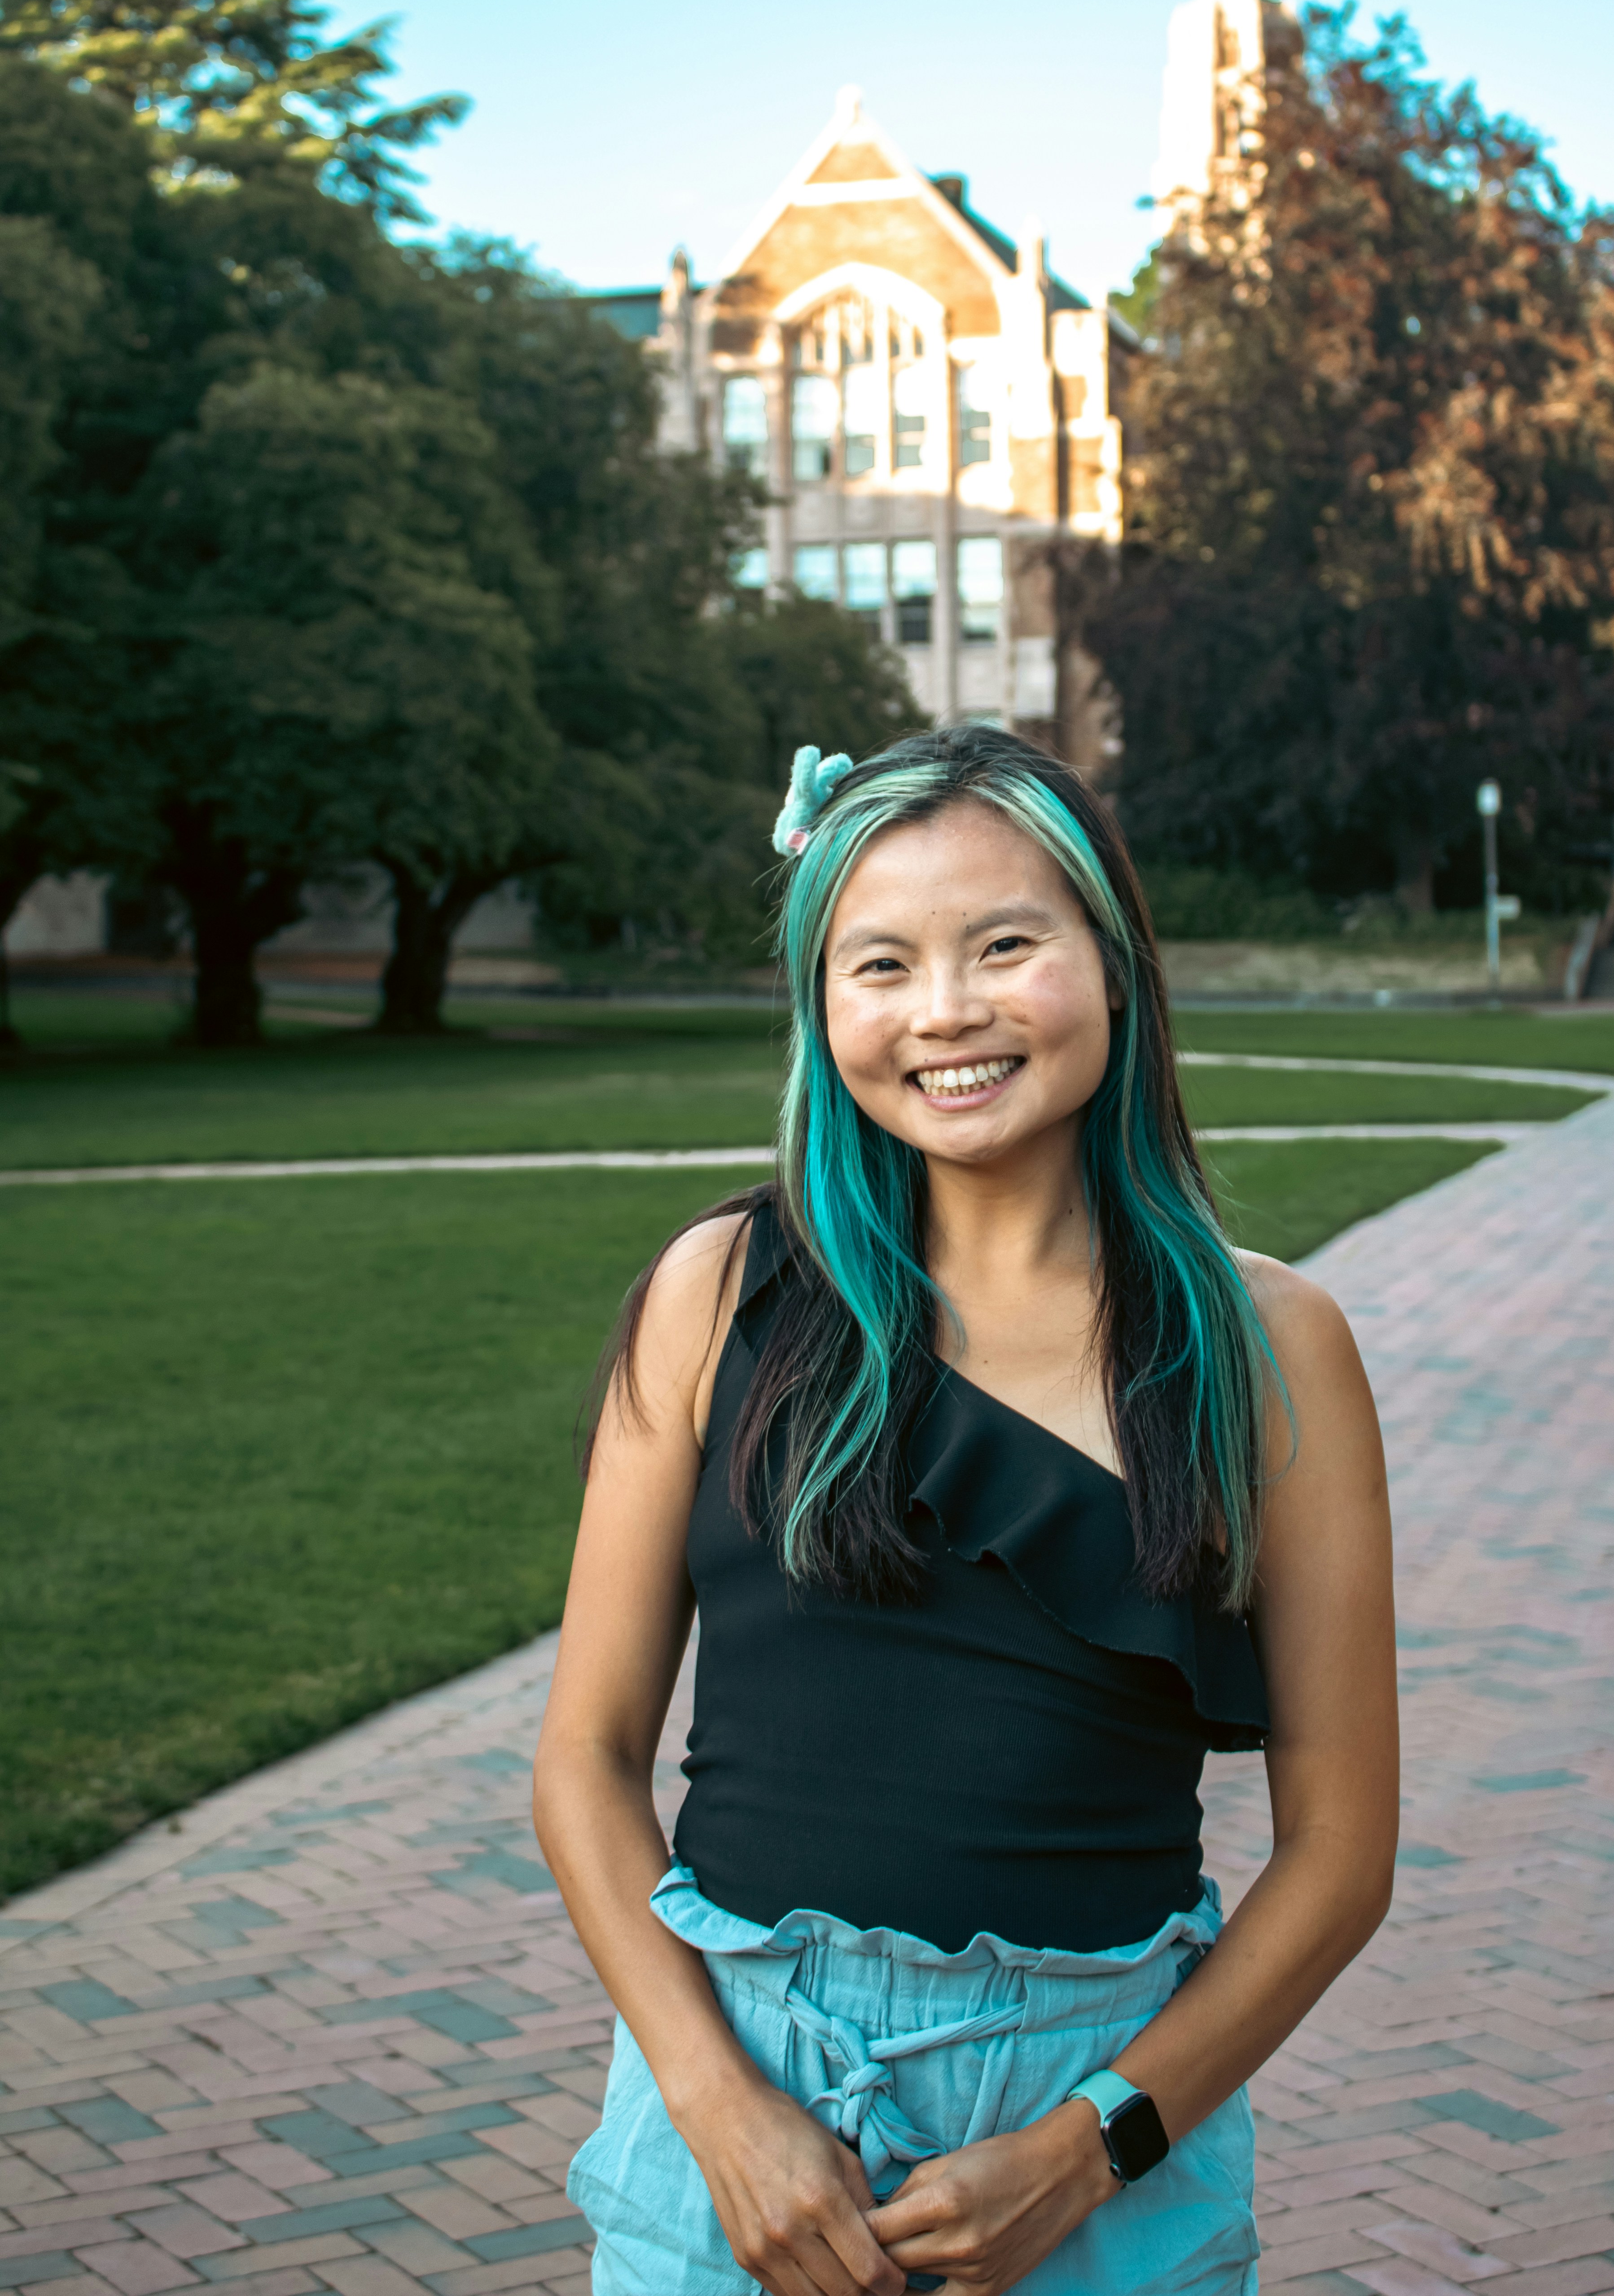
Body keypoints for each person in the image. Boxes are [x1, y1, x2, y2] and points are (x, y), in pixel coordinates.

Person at [535, 724, 1398, 2296]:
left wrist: (1089, 2147)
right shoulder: (719, 1295)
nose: (946, 1012)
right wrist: (720, 2108)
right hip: (734, 2123)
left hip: (1104, 2134)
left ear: (1115, 963)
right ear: (821, 1008)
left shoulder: (1271, 1353)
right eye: (881, 964)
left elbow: (1341, 1855)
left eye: (1006, 944)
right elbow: (585, 1762)